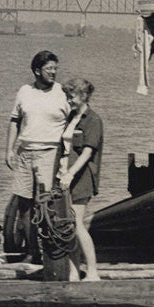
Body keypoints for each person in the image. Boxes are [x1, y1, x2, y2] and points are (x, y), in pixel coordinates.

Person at [5, 51, 70, 257]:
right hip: (25, 153)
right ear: (36, 71)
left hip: (49, 153)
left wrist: (67, 157)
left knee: (46, 203)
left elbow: (75, 124)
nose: (53, 72)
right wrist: (9, 150)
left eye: (55, 68)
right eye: (49, 68)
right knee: (24, 202)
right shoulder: (24, 91)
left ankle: (51, 249)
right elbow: (14, 121)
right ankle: (33, 249)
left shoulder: (63, 93)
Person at [57, 77, 103, 282]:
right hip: (65, 177)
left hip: (80, 177)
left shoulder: (93, 120)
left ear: (84, 96)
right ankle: (74, 272)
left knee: (77, 224)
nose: (69, 100)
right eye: (67, 96)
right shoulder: (72, 117)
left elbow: (87, 152)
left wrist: (70, 173)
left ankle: (93, 272)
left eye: (72, 96)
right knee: (68, 226)